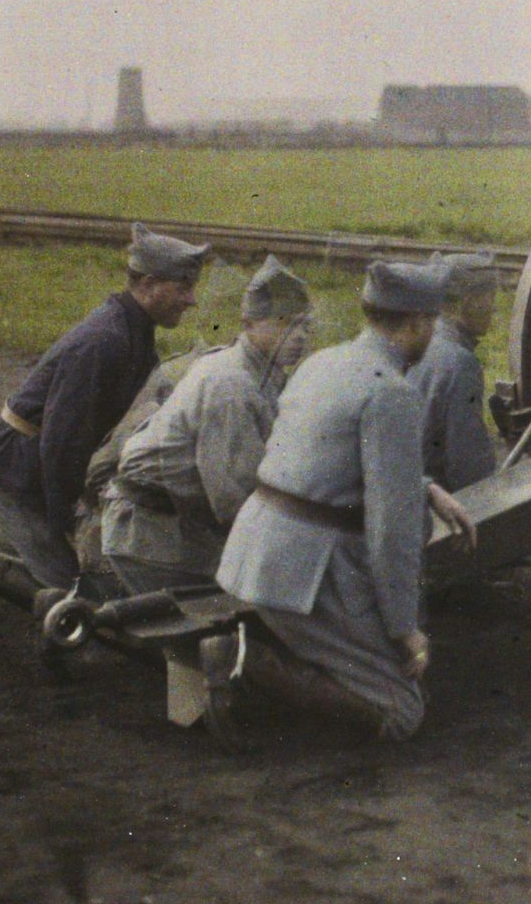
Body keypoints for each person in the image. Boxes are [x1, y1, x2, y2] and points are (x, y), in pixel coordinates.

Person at [203, 260, 476, 748]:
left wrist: (424, 486)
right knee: (401, 710)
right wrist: (403, 629)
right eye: (431, 325)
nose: (432, 335)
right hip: (304, 574)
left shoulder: (325, 362)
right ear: (415, 323)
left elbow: (323, 458)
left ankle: (268, 647)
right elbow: (391, 531)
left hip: (255, 554)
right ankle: (251, 667)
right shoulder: (392, 392)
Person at [0, 222, 208, 603]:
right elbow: (59, 443)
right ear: (148, 285)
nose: (191, 300)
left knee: (70, 577)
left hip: (42, 470)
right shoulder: (106, 341)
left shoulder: (134, 331)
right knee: (75, 597)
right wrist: (66, 520)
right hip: (19, 478)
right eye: (183, 287)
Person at [98, 255, 315, 596]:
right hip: (152, 538)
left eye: (304, 325)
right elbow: (234, 500)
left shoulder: (265, 375)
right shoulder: (231, 385)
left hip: (179, 529)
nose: (298, 336)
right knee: (229, 628)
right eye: (283, 322)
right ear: (248, 323)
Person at [408, 250, 502, 493]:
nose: (493, 308)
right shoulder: (460, 362)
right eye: (491, 297)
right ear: (471, 301)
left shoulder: (420, 342)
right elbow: (469, 467)